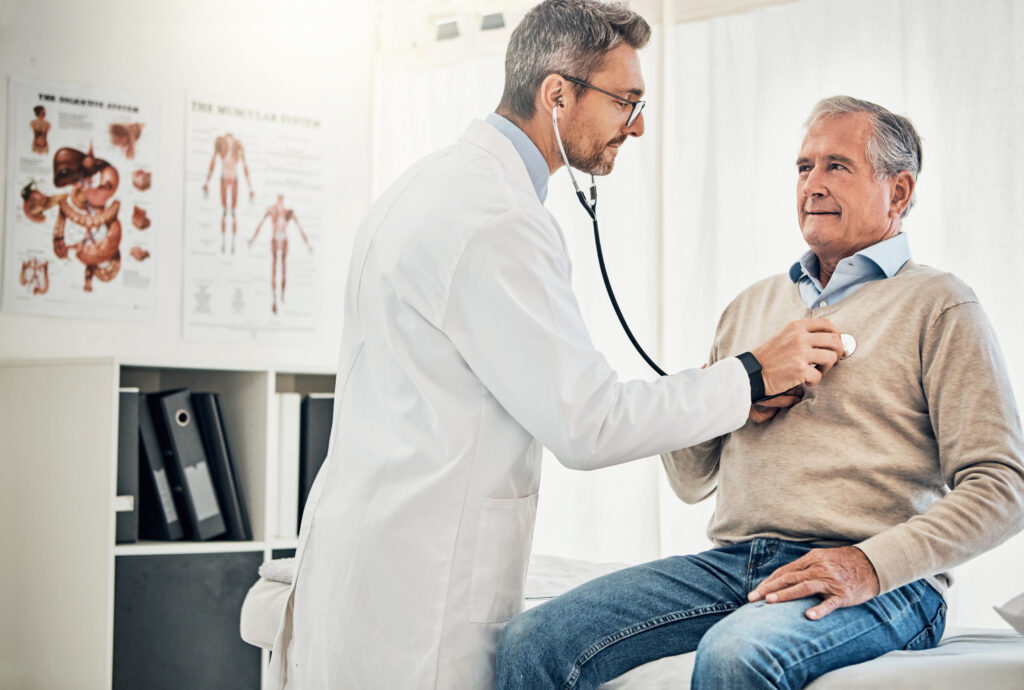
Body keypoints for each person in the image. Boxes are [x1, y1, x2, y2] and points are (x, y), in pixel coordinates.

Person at [268, 3, 845, 688]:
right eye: (626, 101)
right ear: (557, 93)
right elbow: (587, 424)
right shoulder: (496, 218)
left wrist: (725, 391)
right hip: (423, 593)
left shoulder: (428, 185)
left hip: (368, 554)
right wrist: (748, 376)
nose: (638, 126)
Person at [496, 95, 1024, 689]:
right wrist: (732, 397)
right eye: (804, 168)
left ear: (898, 192)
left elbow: (1003, 487)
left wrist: (868, 566)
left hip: (880, 576)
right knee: (531, 641)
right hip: (733, 563)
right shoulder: (749, 308)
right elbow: (691, 479)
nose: (813, 185)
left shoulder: (941, 304)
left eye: (836, 166)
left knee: (736, 655)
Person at [248, 194, 311, 314]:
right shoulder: (272, 210)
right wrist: (252, 239)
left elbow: (300, 228)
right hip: (275, 241)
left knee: (283, 271)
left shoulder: (288, 212)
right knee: (274, 270)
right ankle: (275, 300)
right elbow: (260, 225)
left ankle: (281, 297)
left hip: (283, 241)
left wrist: (307, 244)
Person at [202, 132, 254, 253]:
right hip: (225, 177)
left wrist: (250, 187)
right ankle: (225, 245)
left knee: (232, 212)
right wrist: (207, 182)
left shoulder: (237, 144)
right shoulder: (222, 142)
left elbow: (244, 166)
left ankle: (231, 246)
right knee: (226, 212)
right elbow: (213, 161)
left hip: (231, 177)